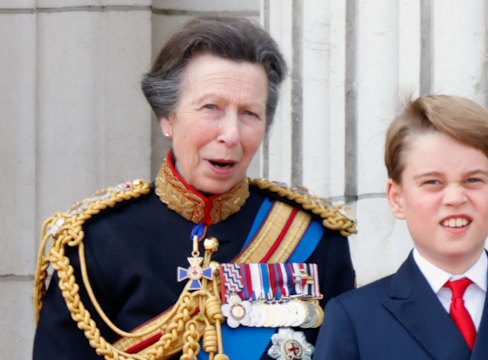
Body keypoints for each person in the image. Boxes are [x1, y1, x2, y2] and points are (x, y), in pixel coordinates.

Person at [32, 17, 356, 360]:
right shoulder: (95, 243)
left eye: (249, 113)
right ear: (167, 117)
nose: (231, 134)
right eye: (211, 108)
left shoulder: (314, 238)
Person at [313, 95, 488, 359]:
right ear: (397, 199)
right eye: (432, 182)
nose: (456, 198)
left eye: (473, 180)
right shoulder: (354, 318)